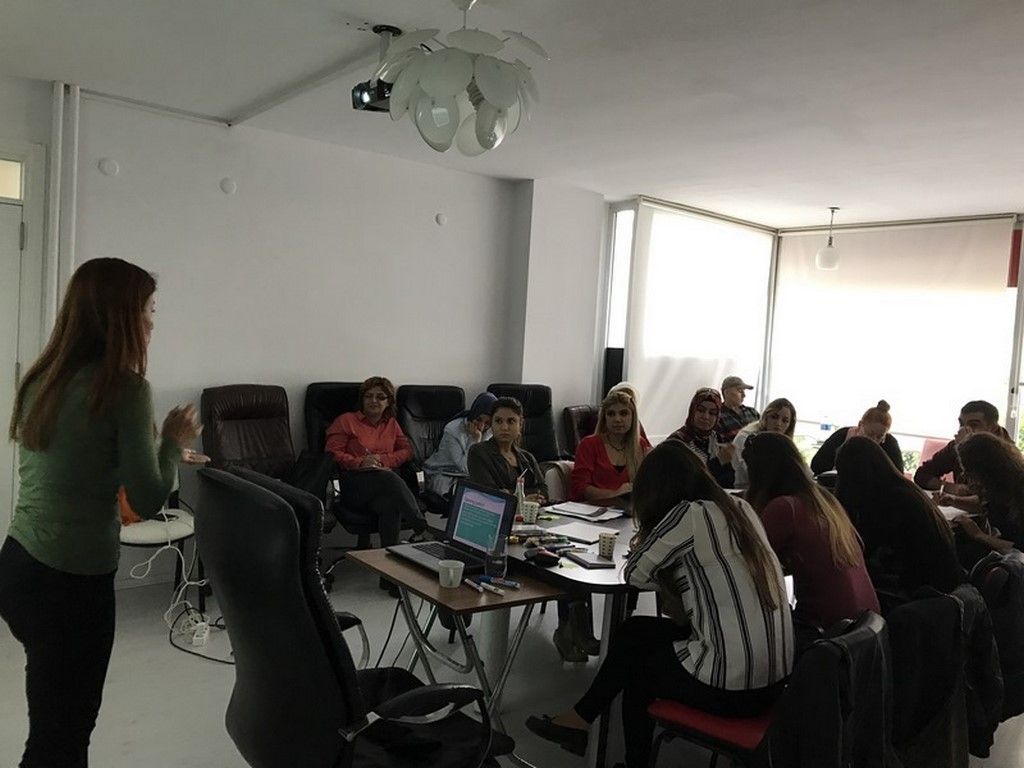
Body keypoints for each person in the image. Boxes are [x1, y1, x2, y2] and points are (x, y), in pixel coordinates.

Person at [0, 258, 203, 768]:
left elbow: (80, 460)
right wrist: (172, 442)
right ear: (122, 315)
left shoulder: (43, 377)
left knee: (53, 723)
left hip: (19, 567)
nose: (153, 322)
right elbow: (149, 498)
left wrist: (157, 452)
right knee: (61, 744)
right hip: (70, 588)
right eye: (149, 309)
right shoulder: (126, 388)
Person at [526, 441, 792, 768]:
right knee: (635, 631)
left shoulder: (689, 515)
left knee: (638, 670)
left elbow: (635, 573)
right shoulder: (741, 508)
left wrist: (654, 547)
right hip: (775, 681)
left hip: (731, 686)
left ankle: (627, 759)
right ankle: (579, 720)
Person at [743, 431, 879, 650]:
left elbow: (748, 564)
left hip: (827, 634)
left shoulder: (784, 508)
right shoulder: (825, 500)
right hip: (865, 631)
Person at [325, 376, 427, 593]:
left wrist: (383, 460)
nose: (374, 401)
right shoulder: (346, 420)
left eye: (381, 397)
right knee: (389, 479)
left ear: (389, 402)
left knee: (390, 506)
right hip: (353, 484)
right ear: (362, 400)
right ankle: (420, 525)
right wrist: (360, 462)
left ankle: (389, 578)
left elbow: (407, 450)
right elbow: (332, 453)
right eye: (369, 396)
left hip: (383, 486)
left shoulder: (391, 424)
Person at [836, 436, 961, 602]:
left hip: (920, 594)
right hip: (941, 589)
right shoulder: (905, 491)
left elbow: (864, 549)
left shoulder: (886, 502)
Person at [570, 389, 652, 504]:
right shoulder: (589, 445)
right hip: (592, 509)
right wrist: (616, 494)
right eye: (611, 414)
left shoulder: (641, 445)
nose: (617, 419)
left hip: (627, 510)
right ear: (604, 418)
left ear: (633, 417)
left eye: (624, 413)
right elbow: (580, 488)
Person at [914, 400, 1013, 494]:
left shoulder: (1008, 455)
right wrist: (949, 487)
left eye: (974, 425)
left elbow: (988, 495)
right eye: (961, 424)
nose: (964, 429)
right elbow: (921, 475)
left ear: (993, 429)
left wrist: (966, 450)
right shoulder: (956, 446)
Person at [950, 432, 1024, 555]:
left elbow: (1020, 548)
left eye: (970, 474)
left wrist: (979, 535)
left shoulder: (1019, 492)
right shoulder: (998, 488)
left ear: (985, 471)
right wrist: (954, 500)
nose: (970, 480)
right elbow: (984, 503)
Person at [467, 397, 548, 501]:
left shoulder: (527, 457)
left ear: (520, 424)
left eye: (511, 421)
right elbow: (489, 495)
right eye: (498, 421)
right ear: (492, 424)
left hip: (532, 510)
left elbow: (543, 490)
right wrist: (521, 498)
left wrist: (509, 493)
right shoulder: (478, 452)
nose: (504, 427)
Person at [422, 392, 497, 497]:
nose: (481, 426)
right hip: (443, 473)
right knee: (459, 497)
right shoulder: (453, 430)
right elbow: (465, 467)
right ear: (473, 414)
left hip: (468, 477)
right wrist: (475, 440)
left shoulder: (490, 432)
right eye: (478, 419)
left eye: (487, 423)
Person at [811, 400, 904, 475]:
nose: (874, 440)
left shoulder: (889, 444)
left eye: (880, 437)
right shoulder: (842, 436)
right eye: (869, 434)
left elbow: (899, 478)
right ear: (860, 425)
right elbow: (816, 465)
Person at [669, 388, 734, 488]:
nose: (706, 417)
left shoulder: (716, 438)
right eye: (701, 410)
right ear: (692, 411)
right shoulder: (678, 441)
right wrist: (718, 462)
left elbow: (728, 480)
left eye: (712, 413)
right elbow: (685, 481)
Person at [730, 397, 796, 488]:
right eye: (774, 417)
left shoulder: (784, 443)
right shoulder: (746, 437)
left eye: (785, 421)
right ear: (766, 417)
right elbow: (747, 473)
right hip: (742, 489)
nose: (778, 423)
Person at [716, 375, 760, 445]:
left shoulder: (752, 412)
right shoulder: (717, 416)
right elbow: (719, 446)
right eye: (739, 390)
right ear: (726, 392)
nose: (744, 395)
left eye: (744, 391)